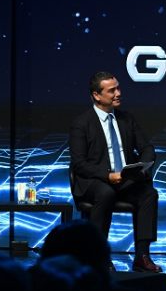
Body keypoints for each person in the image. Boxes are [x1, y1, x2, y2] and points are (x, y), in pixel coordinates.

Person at [69, 72, 161, 272]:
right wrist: (108, 175)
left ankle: (142, 256)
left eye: (118, 88)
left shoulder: (126, 119)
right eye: (112, 90)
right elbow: (79, 164)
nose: (118, 93)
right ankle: (99, 256)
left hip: (124, 179)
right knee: (106, 193)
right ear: (96, 95)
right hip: (95, 180)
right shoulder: (81, 123)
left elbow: (147, 147)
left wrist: (143, 165)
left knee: (148, 194)